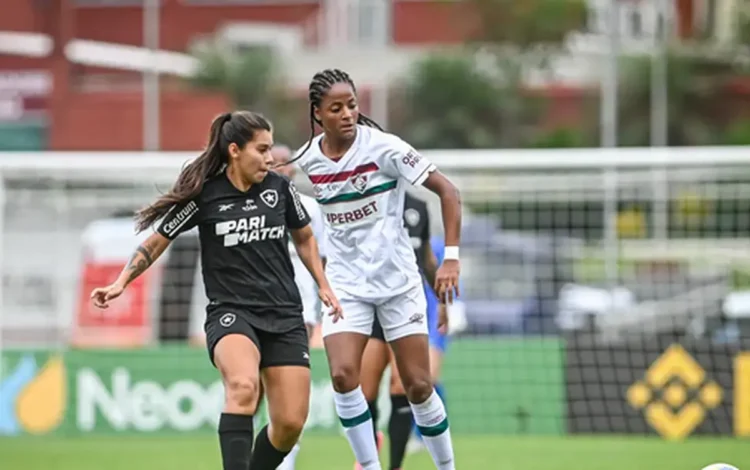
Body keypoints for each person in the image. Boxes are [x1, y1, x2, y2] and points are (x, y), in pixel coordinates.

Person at [89, 111, 341, 470]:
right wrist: (121, 281)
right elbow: (157, 241)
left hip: (284, 314)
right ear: (235, 150)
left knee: (289, 424)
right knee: (242, 387)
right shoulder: (206, 195)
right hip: (231, 313)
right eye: (263, 149)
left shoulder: (280, 189)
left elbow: (305, 238)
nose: (271, 159)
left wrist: (324, 285)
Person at [289, 68, 461, 470]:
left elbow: (448, 191)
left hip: (398, 285)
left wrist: (451, 257)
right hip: (347, 286)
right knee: (344, 377)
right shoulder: (308, 160)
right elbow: (272, 183)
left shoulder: (385, 148)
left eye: (352, 104)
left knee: (418, 386)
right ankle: (369, 466)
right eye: (336, 108)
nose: (347, 113)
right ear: (318, 114)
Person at [356, 192, 439, 470]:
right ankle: (368, 458)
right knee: (365, 390)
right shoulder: (365, 201)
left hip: (406, 308)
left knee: (401, 385)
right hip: (371, 306)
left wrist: (442, 299)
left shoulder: (418, 207)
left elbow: (425, 256)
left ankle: (395, 465)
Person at [270, 144, 327, 470]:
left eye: (283, 162)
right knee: (257, 384)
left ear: (292, 168)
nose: (278, 167)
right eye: (272, 161)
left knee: (289, 383)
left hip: (300, 304)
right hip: (261, 302)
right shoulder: (252, 206)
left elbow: (321, 256)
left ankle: (285, 460)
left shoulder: (309, 208)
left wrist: (324, 294)